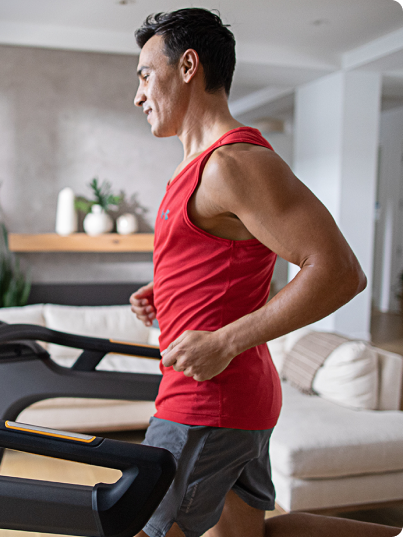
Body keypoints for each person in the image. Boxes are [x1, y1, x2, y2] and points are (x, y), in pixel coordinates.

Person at [128, 8, 399, 537]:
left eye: (143, 74)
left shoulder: (234, 163)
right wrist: (169, 290)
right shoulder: (195, 167)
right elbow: (235, 265)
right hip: (229, 398)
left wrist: (224, 341)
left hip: (207, 401)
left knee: (143, 529)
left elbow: (340, 272)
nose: (137, 94)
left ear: (188, 66)